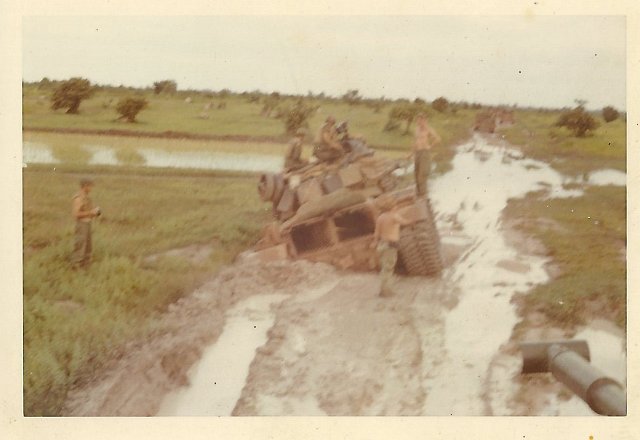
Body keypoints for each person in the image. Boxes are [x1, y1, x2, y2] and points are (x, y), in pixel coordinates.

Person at [370, 200, 411, 297]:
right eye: (395, 205)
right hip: (391, 245)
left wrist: (374, 242)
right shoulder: (394, 216)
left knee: (384, 268)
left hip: (382, 245)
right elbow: (405, 222)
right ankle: (385, 292)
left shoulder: (380, 218)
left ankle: (383, 290)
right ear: (393, 206)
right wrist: (412, 219)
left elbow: (377, 233)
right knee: (388, 269)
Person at [71, 177, 101, 268]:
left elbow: (85, 211)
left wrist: (95, 212)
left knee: (88, 246)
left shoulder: (86, 197)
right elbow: (75, 214)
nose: (91, 189)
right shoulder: (78, 198)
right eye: (90, 186)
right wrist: (91, 212)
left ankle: (86, 266)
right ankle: (76, 266)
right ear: (85, 186)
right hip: (81, 225)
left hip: (87, 223)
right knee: (80, 245)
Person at [411, 113, 441, 196]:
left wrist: (430, 146)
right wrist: (410, 154)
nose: (419, 122)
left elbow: (438, 138)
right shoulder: (416, 129)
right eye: (418, 120)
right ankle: (418, 194)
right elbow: (414, 142)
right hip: (417, 153)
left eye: (421, 120)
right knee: (416, 174)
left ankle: (423, 195)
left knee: (422, 175)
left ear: (425, 121)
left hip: (425, 153)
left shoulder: (429, 129)